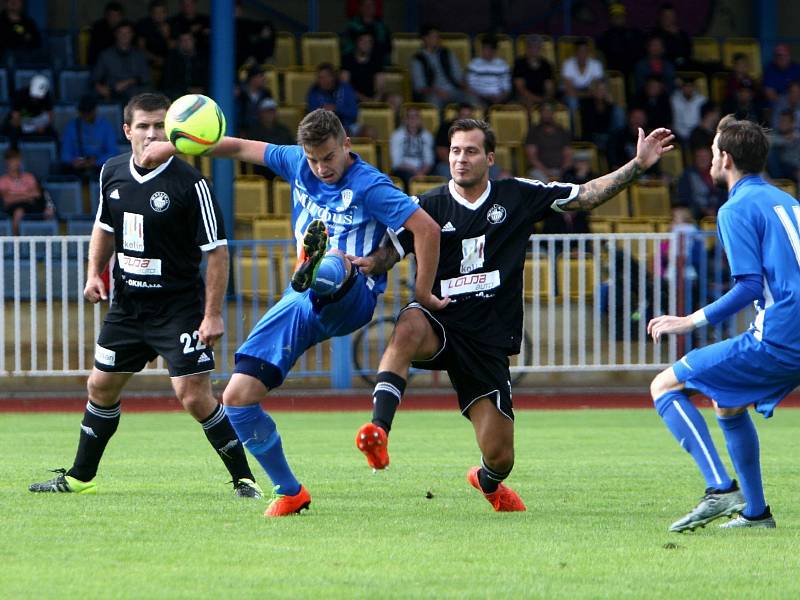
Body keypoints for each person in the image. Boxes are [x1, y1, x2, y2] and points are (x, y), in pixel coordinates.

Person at [351, 118, 673, 512]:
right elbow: (391, 252)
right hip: (440, 320)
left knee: (501, 456)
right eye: (455, 151)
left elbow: (585, 196)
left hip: (487, 340)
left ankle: (487, 482)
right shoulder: (427, 206)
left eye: (470, 151)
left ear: (489, 157)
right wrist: (369, 262)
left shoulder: (517, 195)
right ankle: (379, 430)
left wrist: (637, 165)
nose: (461, 159)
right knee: (408, 324)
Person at [140, 108, 444, 516]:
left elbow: (427, 229)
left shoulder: (370, 184)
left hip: (354, 296)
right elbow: (239, 147)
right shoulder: (294, 161)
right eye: (313, 159)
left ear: (346, 145)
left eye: (329, 157)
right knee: (237, 398)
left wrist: (422, 291)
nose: (321, 168)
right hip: (299, 299)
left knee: (335, 259)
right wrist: (173, 146)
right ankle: (290, 491)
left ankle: (319, 264)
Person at [28, 93, 261, 499]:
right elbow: (104, 226)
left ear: (171, 131)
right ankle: (81, 477)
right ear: (127, 131)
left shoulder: (192, 184)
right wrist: (93, 274)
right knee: (100, 387)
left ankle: (245, 480)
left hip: (179, 308)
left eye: (159, 126)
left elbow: (218, 252)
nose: (151, 134)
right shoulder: (112, 171)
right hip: (128, 306)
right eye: (143, 126)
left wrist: (213, 315)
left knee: (193, 397)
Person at [647, 114, 800, 532]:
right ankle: (756, 513)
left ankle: (720, 489)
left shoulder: (736, 208)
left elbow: (750, 286)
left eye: (713, 152)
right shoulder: (787, 201)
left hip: (782, 337)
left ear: (726, 158)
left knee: (664, 385)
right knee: (727, 403)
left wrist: (687, 321)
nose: (710, 159)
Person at [60, 94, 118, 181]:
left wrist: (96, 162)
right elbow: (65, 154)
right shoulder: (71, 127)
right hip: (76, 170)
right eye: (83, 112)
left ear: (94, 110)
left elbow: (113, 152)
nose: (86, 115)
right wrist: (73, 161)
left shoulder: (105, 126)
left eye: (88, 112)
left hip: (99, 168)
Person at [93, 21, 151, 103]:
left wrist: (128, 82)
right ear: (116, 34)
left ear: (132, 35)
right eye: (121, 33)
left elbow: (146, 76)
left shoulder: (139, 55)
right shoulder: (105, 55)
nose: (124, 36)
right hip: (113, 93)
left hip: (136, 94)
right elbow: (95, 77)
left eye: (128, 33)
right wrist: (99, 87)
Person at [410, 25, 466, 108]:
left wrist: (468, 88)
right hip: (433, 93)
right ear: (425, 39)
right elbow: (420, 87)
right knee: (434, 101)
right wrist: (437, 91)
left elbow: (458, 76)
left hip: (453, 90)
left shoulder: (447, 53)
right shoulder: (418, 59)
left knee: (471, 99)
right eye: (434, 36)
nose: (438, 39)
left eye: (438, 37)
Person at [0, 148, 53, 235]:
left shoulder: (29, 177)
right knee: (18, 212)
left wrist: (15, 194)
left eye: (17, 159)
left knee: (48, 210)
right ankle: (16, 242)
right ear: (7, 162)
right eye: (12, 160)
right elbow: (7, 199)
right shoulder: (3, 180)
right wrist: (27, 195)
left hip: (31, 206)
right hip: (11, 208)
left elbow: (36, 193)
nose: (15, 163)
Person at [1, 74, 56, 144]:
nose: (36, 97)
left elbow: (50, 115)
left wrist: (44, 126)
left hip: (37, 120)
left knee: (53, 134)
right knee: (11, 130)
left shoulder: (47, 96)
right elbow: (15, 117)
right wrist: (27, 125)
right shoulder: (20, 94)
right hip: (21, 121)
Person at [306, 62, 360, 135]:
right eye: (321, 77)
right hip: (324, 127)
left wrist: (336, 109)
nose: (324, 80)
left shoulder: (346, 88)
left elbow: (354, 113)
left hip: (349, 125)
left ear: (333, 77)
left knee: (369, 132)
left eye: (327, 76)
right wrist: (323, 111)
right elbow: (312, 115)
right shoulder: (313, 92)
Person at [390, 106, 434, 189]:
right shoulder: (397, 135)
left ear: (420, 120)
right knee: (407, 178)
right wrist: (415, 171)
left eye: (416, 116)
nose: (413, 119)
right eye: (410, 117)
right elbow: (396, 162)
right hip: (403, 169)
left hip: (423, 169)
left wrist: (421, 172)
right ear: (404, 120)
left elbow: (429, 160)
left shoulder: (427, 135)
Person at [465, 35, 511, 108]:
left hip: (497, 97)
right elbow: (470, 86)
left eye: (489, 49)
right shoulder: (474, 64)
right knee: (471, 101)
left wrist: (500, 97)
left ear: (494, 51)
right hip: (479, 96)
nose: (486, 51)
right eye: (484, 49)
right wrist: (481, 96)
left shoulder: (502, 65)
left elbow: (506, 87)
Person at [511, 34, 555, 111]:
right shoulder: (519, 63)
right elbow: (520, 88)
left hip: (541, 96)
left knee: (549, 106)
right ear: (527, 48)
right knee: (528, 105)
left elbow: (549, 86)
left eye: (536, 47)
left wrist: (546, 98)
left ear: (540, 49)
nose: (534, 50)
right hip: (524, 97)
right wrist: (537, 99)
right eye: (531, 47)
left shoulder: (546, 64)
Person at [162, 29, 208, 100]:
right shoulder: (173, 58)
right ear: (179, 43)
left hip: (203, 91)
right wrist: (187, 89)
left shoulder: (203, 57)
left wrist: (202, 88)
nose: (186, 43)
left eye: (188, 40)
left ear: (194, 41)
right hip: (180, 92)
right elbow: (168, 80)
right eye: (183, 41)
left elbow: (209, 76)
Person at [87, 1, 125, 66]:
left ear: (121, 17)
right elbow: (95, 52)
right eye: (112, 16)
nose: (114, 19)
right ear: (106, 16)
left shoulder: (125, 28)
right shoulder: (98, 28)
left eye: (117, 16)